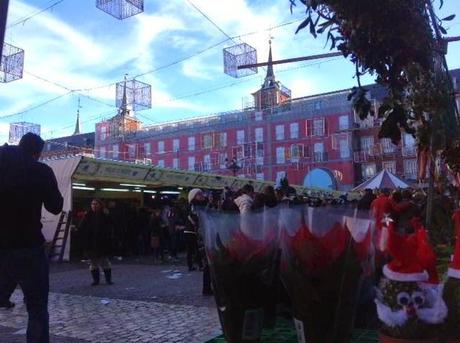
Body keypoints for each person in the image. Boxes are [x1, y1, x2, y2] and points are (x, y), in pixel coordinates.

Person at [0, 132, 63, 343]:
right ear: (37, 152)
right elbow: (55, 207)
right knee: (36, 308)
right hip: (28, 247)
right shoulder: (40, 170)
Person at [79, 199, 115, 286]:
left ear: (100, 205)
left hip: (102, 242)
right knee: (94, 262)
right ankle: (96, 280)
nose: (94, 206)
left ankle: (108, 280)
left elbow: (110, 227)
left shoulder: (104, 215)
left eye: (96, 204)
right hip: (91, 242)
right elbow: (82, 227)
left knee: (104, 261)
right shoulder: (88, 215)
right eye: (92, 204)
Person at [187, 188, 212, 295]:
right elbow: (198, 220)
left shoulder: (201, 206)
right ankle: (206, 288)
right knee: (207, 263)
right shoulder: (194, 208)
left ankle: (207, 287)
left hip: (205, 236)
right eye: (199, 195)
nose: (202, 196)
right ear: (193, 197)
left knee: (209, 263)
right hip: (202, 238)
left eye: (202, 194)